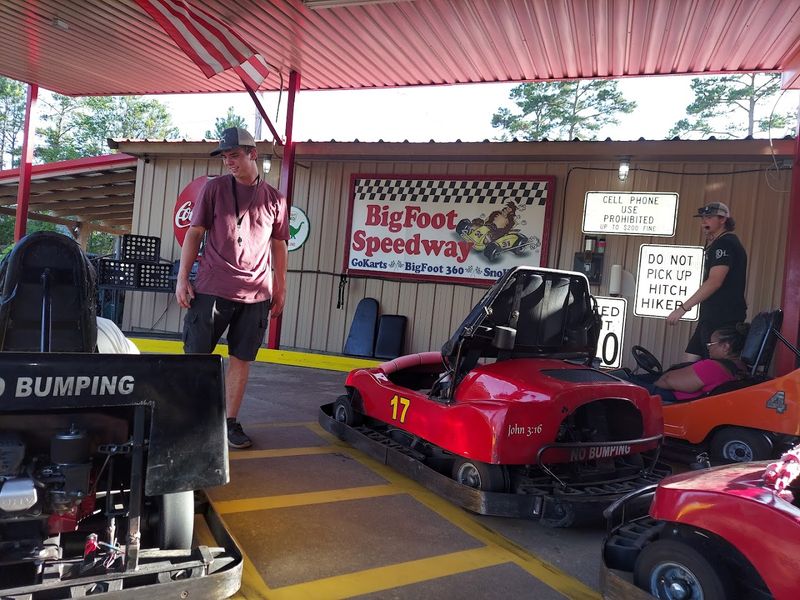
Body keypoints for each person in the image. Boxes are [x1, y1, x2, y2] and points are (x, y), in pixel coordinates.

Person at [175, 127, 289, 449]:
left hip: (256, 293)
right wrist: (183, 278)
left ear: (253, 154)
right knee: (196, 357)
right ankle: (190, 421)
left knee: (242, 359)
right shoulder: (213, 190)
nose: (229, 162)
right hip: (212, 287)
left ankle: (230, 423)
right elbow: (195, 232)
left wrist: (280, 287)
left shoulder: (275, 199)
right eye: (225, 157)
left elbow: (279, 244)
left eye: (234, 155)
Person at [666, 201, 748, 360]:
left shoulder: (724, 243)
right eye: (702, 218)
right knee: (688, 363)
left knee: (712, 369)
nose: (704, 222)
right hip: (710, 316)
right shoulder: (720, 243)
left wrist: (682, 308)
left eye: (709, 217)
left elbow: (715, 281)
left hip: (721, 317)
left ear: (723, 219)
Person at [629, 323, 749, 403]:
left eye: (711, 344)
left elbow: (666, 380)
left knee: (619, 381)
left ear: (725, 347)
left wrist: (655, 383)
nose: (708, 348)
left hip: (674, 402)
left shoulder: (713, 367)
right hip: (695, 401)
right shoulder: (741, 369)